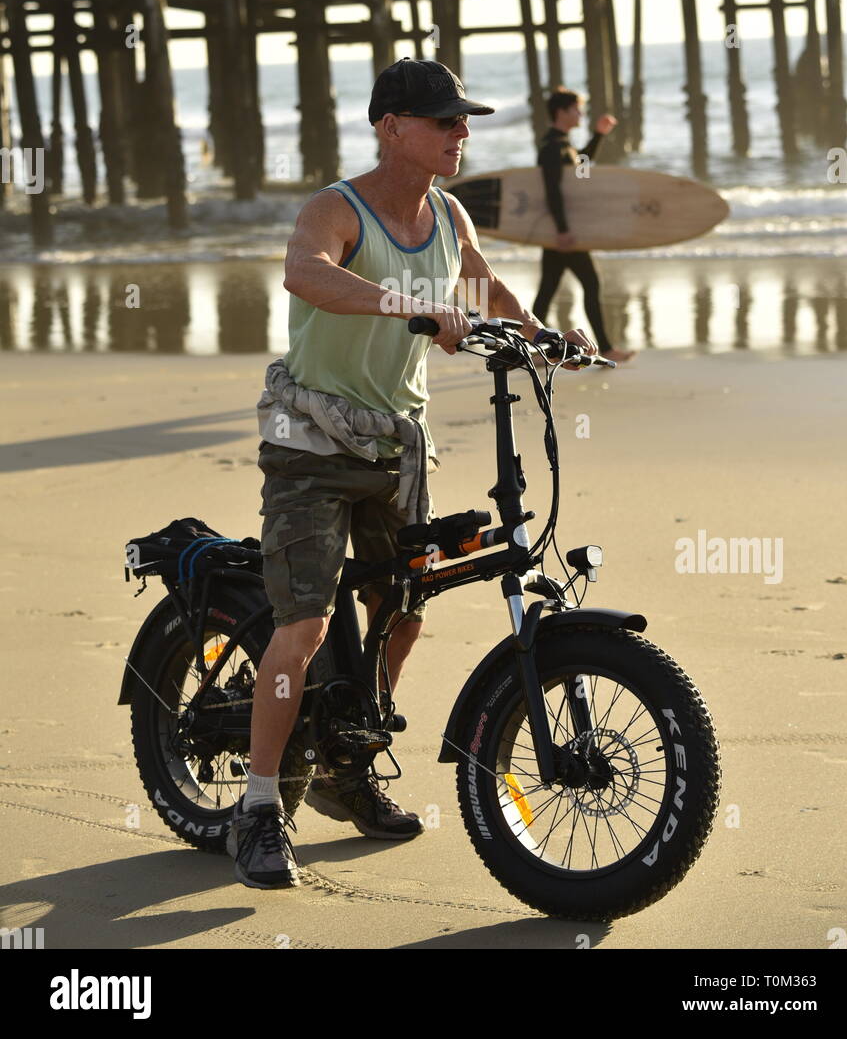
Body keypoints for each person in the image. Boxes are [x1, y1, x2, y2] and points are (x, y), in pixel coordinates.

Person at [227, 57, 596, 889]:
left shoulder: (446, 212)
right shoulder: (336, 208)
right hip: (311, 442)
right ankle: (256, 807)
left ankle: (343, 760)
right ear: (392, 127)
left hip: (397, 442)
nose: (462, 132)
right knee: (306, 623)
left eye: (464, 120)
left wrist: (544, 334)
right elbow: (305, 274)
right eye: (445, 120)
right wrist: (413, 309)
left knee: (404, 608)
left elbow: (481, 282)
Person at [532, 87, 635, 364]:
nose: (582, 114)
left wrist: (599, 135)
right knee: (590, 283)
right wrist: (563, 230)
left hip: (559, 232)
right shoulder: (552, 149)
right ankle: (606, 347)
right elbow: (552, 191)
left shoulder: (562, 144)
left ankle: (534, 349)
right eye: (577, 109)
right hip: (562, 233)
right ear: (562, 112)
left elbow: (581, 167)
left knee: (548, 290)